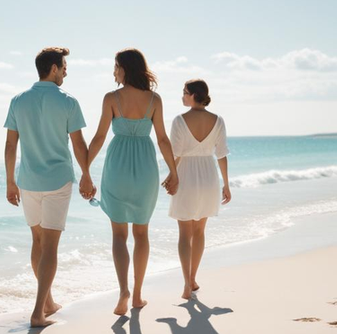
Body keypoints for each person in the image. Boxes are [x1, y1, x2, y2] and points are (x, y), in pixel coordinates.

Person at [4, 47, 95, 328]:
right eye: (64, 66)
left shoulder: (18, 100)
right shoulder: (68, 101)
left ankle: (48, 302)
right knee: (51, 247)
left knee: (38, 242)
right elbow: (79, 144)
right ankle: (38, 312)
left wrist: (10, 181)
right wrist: (87, 175)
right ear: (53, 68)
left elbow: (10, 145)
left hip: (28, 181)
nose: (66, 71)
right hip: (57, 180)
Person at [87, 48, 179, 316]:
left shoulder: (112, 98)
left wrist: (84, 170)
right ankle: (138, 295)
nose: (114, 72)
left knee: (119, 234)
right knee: (141, 234)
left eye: (116, 66)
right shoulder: (154, 100)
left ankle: (123, 291)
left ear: (125, 68)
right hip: (145, 170)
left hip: (117, 168)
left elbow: (99, 137)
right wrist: (174, 171)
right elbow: (162, 139)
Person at [168, 79, 231, 299]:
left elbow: (175, 154)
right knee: (199, 231)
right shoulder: (218, 120)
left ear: (194, 95)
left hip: (186, 175)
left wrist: (171, 176)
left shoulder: (179, 120)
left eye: (184, 92)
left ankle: (186, 284)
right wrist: (226, 183)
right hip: (208, 175)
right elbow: (221, 154)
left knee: (185, 234)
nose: (182, 96)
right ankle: (193, 279)